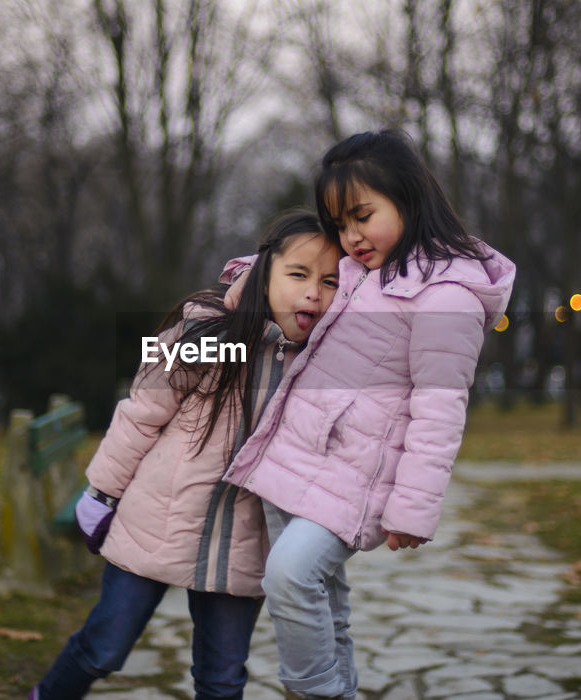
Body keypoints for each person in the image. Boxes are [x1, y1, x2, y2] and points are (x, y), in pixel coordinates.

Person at [219, 130, 516, 699]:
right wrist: (246, 281)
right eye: (340, 225)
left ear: (407, 197)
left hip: (357, 477)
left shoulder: (447, 294)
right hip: (295, 454)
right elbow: (290, 263)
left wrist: (412, 509)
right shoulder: (363, 267)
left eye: (362, 216)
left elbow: (440, 408)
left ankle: (317, 694)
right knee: (325, 605)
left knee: (289, 576)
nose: (351, 237)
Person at [33, 210, 343, 700]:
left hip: (242, 544)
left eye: (330, 282)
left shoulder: (319, 362)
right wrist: (102, 492)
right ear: (266, 271)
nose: (313, 292)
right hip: (155, 520)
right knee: (103, 649)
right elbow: (142, 412)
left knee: (221, 680)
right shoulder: (211, 332)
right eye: (299, 274)